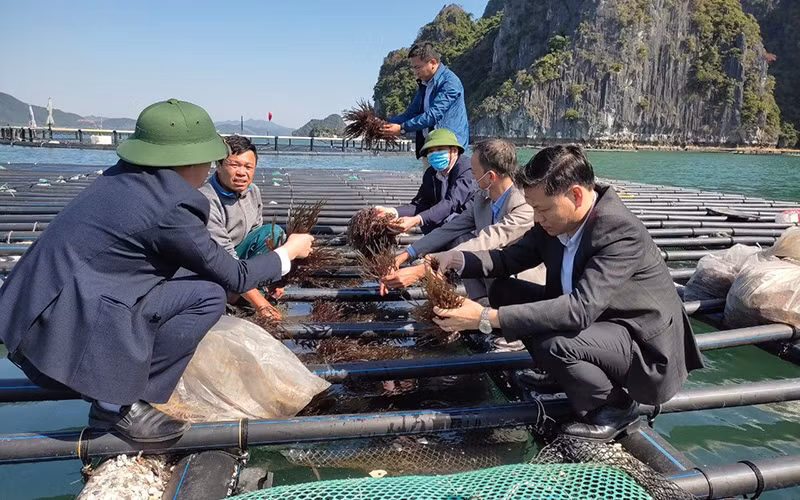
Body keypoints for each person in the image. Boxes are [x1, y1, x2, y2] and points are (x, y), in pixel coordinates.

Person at [0, 98, 314, 443]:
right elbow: (234, 277)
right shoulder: (172, 205)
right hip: (58, 337)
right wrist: (288, 252)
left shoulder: (122, 178)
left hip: (29, 317)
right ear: (190, 160)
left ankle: (121, 390)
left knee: (192, 281)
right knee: (208, 294)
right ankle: (119, 405)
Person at [429, 145, 703, 442]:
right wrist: (456, 259)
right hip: (602, 326)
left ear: (575, 195)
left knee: (553, 341)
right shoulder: (555, 224)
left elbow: (579, 309)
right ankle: (557, 374)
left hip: (643, 348)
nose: (537, 218)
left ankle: (614, 408)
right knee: (504, 288)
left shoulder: (618, 230)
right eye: (533, 208)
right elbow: (507, 259)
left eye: (543, 209)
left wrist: (483, 318)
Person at [380, 138, 534, 301]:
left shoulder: (524, 205)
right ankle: (479, 300)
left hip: (520, 287)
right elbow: (450, 228)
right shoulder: (483, 197)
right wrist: (407, 254)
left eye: (474, 173)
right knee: (459, 237)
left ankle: (487, 310)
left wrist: (423, 269)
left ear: (490, 177)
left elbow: (486, 241)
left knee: (471, 249)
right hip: (492, 275)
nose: (472, 178)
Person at [200, 135, 285, 320]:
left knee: (273, 233)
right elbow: (224, 257)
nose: (241, 173)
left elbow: (258, 234)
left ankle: (240, 292)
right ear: (219, 165)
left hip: (241, 260)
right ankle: (234, 294)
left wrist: (275, 277)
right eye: (234, 165)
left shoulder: (253, 191)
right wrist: (261, 305)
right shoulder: (206, 200)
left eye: (248, 167)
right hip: (214, 263)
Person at [375, 128, 476, 235]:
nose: (435, 154)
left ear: (454, 151)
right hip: (443, 226)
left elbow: (451, 203)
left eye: (440, 149)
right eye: (431, 151)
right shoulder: (431, 173)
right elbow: (420, 204)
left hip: (469, 226)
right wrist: (393, 212)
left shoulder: (467, 170)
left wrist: (416, 220)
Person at [381, 42, 469, 159]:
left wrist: (402, 128)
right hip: (431, 146)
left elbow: (433, 115)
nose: (415, 72)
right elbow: (410, 113)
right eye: (413, 68)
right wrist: (385, 124)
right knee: (429, 177)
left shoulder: (450, 82)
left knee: (450, 177)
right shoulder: (425, 85)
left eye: (418, 67)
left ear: (433, 62)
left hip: (450, 147)